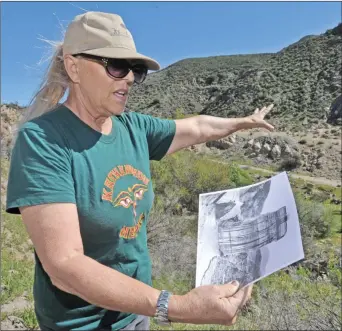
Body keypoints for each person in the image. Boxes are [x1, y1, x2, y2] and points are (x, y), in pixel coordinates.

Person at [6, 11, 274, 331]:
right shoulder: (44, 140)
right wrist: (174, 306)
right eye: (116, 66)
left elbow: (198, 126)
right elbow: (64, 266)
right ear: (73, 66)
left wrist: (242, 123)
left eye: (134, 69)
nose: (130, 78)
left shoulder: (134, 128)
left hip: (135, 312)